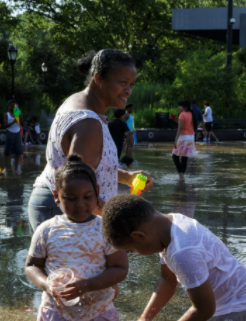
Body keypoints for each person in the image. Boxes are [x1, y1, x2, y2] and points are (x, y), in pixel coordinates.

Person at [29, 49, 154, 231]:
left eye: (131, 84)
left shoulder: (80, 103)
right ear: (98, 79)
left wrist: (126, 177)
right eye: (123, 83)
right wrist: (118, 220)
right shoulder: (88, 122)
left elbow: (87, 167)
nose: (129, 90)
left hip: (60, 206)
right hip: (65, 211)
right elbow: (77, 186)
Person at [101, 194, 246, 321]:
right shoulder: (166, 227)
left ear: (140, 236)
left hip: (235, 306)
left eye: (133, 249)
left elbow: (204, 309)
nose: (136, 253)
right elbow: (168, 280)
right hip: (217, 301)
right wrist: (144, 319)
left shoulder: (183, 252)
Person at [24, 155, 128, 321]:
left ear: (97, 191)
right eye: (70, 198)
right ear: (56, 196)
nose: (80, 204)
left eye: (87, 196)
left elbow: (120, 269)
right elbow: (32, 266)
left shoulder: (106, 229)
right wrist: (46, 284)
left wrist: (88, 285)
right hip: (56, 313)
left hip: (98, 312)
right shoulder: (46, 230)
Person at [172, 100, 197, 181]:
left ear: (185, 107)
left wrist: (175, 140)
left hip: (183, 138)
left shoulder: (182, 115)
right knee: (184, 157)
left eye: (180, 106)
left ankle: (181, 176)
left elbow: (180, 128)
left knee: (175, 156)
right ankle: (182, 176)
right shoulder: (191, 114)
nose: (179, 107)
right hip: (191, 138)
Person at [3, 100, 23, 174]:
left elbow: (22, 124)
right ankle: (6, 168)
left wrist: (20, 117)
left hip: (17, 133)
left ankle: (16, 168)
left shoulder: (17, 113)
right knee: (7, 152)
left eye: (14, 106)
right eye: (11, 106)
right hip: (9, 133)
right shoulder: (6, 114)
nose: (13, 107)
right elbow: (5, 125)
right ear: (8, 107)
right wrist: (13, 122)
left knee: (18, 152)